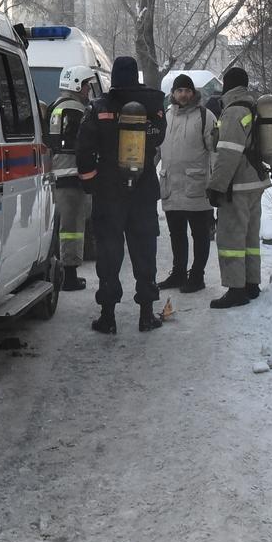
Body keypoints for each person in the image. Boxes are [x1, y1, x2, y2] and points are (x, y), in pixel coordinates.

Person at [76, 55, 167, 334]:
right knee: (144, 251)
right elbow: (159, 138)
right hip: (143, 189)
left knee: (109, 252)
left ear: (113, 77)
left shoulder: (100, 107)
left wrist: (91, 183)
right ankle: (146, 314)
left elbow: (84, 149)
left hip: (109, 192)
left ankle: (108, 316)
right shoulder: (153, 106)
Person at [207, 66, 269, 309]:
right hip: (255, 182)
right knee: (250, 237)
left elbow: (228, 154)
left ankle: (236, 290)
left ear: (227, 85)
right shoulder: (251, 106)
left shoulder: (233, 111)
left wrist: (217, 186)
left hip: (238, 185)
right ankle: (251, 284)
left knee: (232, 237)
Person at [158, 74, 216, 293]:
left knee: (200, 235)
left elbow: (215, 151)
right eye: (179, 90)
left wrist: (215, 181)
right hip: (171, 185)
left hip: (197, 186)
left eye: (187, 90)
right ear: (173, 94)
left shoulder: (205, 116)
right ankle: (178, 273)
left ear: (193, 93)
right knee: (176, 234)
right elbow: (157, 149)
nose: (183, 94)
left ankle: (197, 276)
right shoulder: (166, 116)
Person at [47, 65, 96, 291]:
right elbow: (84, 146)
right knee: (72, 228)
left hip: (57, 175)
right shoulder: (77, 110)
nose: (88, 90)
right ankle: (69, 275)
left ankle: (60, 270)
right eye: (86, 85)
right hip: (72, 177)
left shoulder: (56, 106)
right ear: (77, 84)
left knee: (60, 226)